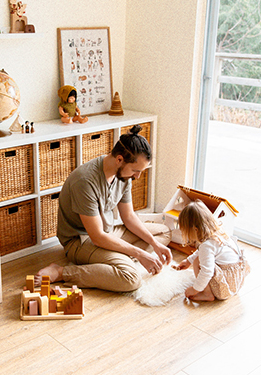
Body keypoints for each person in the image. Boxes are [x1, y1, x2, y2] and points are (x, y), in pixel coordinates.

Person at [36, 125, 172, 292]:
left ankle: (117, 259)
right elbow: (97, 237)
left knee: (162, 233)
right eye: (136, 171)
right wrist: (140, 253)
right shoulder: (85, 181)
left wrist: (153, 244)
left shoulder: (123, 175)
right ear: (119, 159)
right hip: (81, 241)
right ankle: (62, 272)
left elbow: (128, 217)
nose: (137, 176)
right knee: (131, 279)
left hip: (108, 232)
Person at [173, 200, 250, 301]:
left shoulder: (206, 246)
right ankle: (207, 289)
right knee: (199, 258)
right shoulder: (218, 234)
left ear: (195, 230)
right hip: (236, 282)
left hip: (224, 288)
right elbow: (202, 252)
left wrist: (194, 289)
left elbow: (206, 271)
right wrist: (188, 261)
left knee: (198, 261)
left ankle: (207, 294)